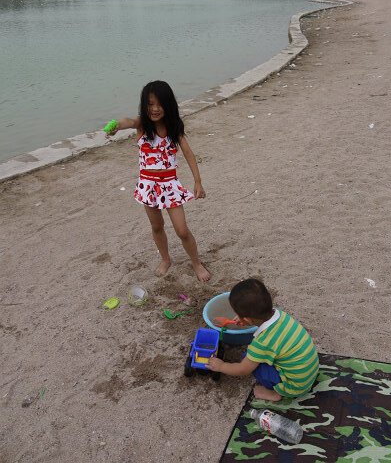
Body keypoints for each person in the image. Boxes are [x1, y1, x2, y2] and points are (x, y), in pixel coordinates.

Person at [106, 80, 210, 282]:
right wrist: (116, 126)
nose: (154, 109)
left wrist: (197, 181)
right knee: (156, 226)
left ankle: (196, 262)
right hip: (148, 186)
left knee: (182, 230)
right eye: (150, 104)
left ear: (168, 105)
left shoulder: (174, 129)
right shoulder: (142, 126)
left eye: (159, 104)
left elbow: (188, 154)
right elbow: (127, 121)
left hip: (169, 186)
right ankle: (165, 259)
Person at [207, 279, 319, 400]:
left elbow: (242, 370)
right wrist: (245, 319)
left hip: (295, 386)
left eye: (239, 315)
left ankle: (275, 393)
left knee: (249, 359)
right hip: (310, 371)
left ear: (248, 320)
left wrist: (222, 366)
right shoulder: (281, 315)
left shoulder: (262, 342)